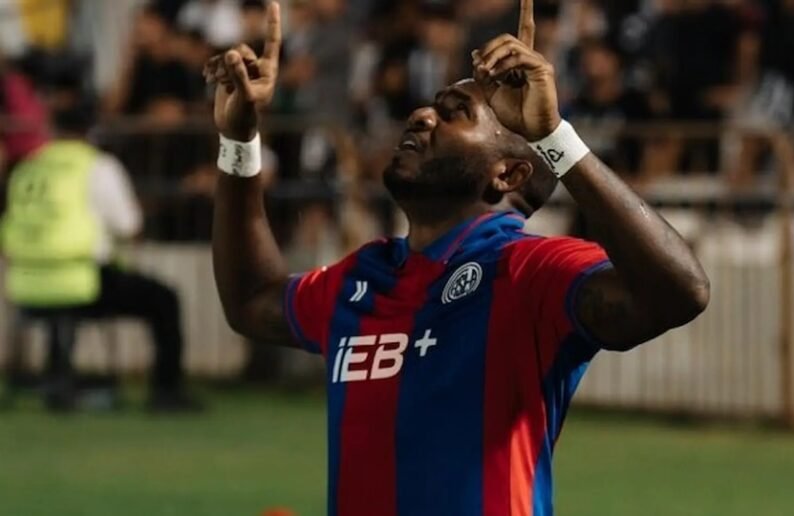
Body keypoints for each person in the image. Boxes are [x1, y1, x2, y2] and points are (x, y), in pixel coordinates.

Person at [206, 1, 709, 514]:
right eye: (432, 106)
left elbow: (680, 293)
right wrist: (238, 140)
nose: (422, 114)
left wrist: (553, 136)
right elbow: (251, 300)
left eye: (455, 115)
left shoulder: (529, 271)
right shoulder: (364, 275)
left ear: (508, 176)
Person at [1, 85, 200, 412]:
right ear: (90, 131)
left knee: (63, 308)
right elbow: (128, 225)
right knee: (165, 299)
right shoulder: (97, 166)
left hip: (24, 286)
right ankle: (167, 391)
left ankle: (58, 377)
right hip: (80, 281)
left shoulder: (28, 167)